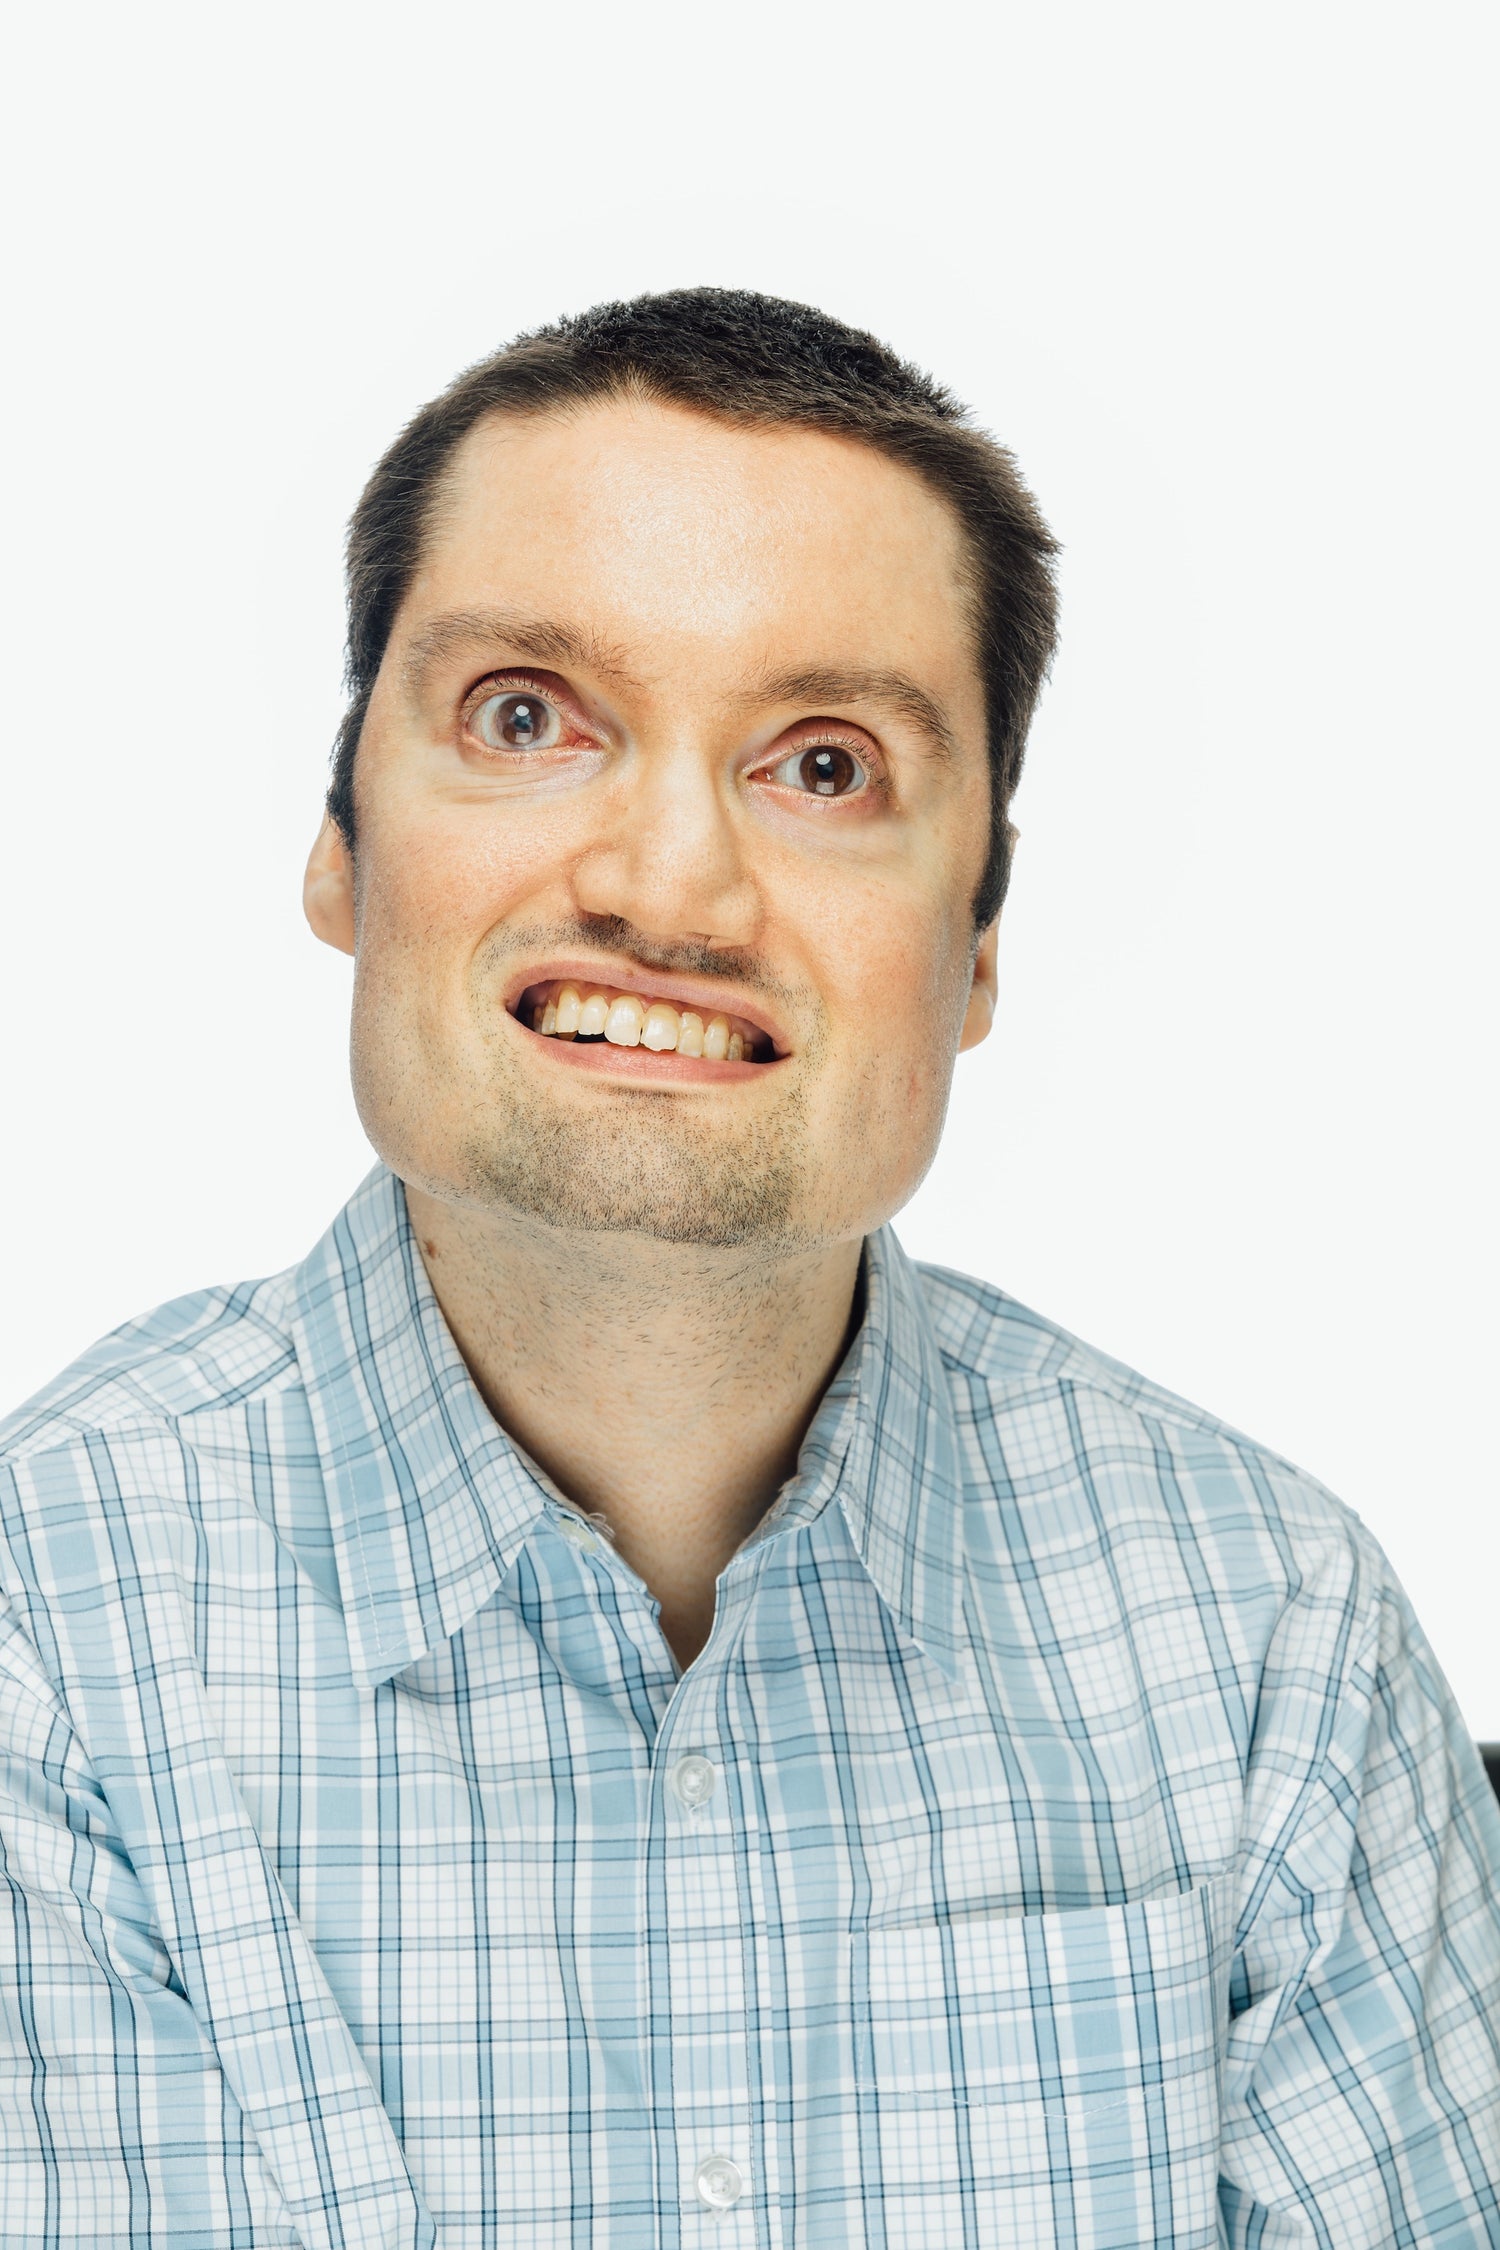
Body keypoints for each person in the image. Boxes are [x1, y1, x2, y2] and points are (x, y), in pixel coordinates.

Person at [1, 288, 1496, 2250]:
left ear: (974, 954)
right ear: (343, 849)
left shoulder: (1278, 1656)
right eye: (526, 715)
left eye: (823, 767)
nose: (671, 886)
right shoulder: (45, 1642)